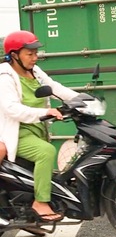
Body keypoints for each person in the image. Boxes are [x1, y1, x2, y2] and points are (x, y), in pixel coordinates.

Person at [0, 30, 79, 224]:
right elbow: (11, 109)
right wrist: (45, 113)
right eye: (30, 54)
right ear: (14, 55)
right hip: (18, 133)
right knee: (45, 152)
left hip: (37, 130)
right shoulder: (5, 77)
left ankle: (28, 216)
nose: (35, 57)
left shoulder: (34, 72)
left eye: (36, 53)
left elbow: (54, 87)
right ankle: (40, 203)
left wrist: (82, 100)